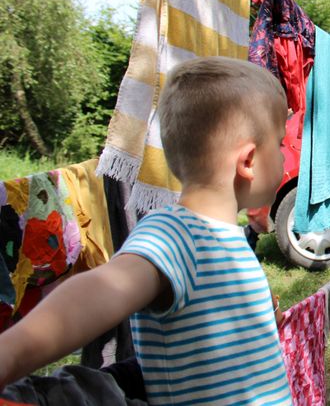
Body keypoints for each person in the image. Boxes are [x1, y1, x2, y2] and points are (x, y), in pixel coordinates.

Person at [0, 57, 293, 405]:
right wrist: (10, 355)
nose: (285, 156)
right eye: (279, 143)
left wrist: (257, 322)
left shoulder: (225, 237)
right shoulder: (175, 234)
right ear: (248, 161)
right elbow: (100, 289)